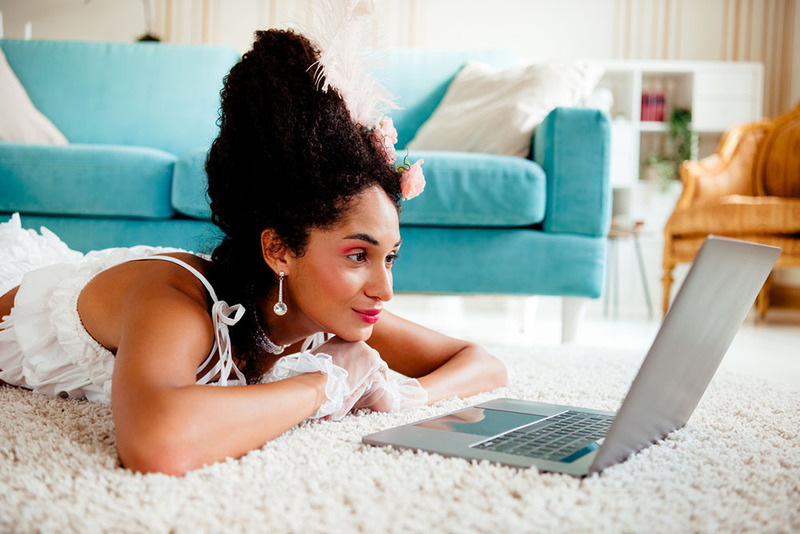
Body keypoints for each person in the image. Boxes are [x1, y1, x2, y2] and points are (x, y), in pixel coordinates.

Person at [0, 29, 508, 476]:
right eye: (358, 255)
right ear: (280, 250)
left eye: (390, 257)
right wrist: (321, 387)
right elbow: (155, 444)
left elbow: (483, 363)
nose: (385, 289)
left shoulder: (328, 311)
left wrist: (405, 395)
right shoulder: (178, 302)